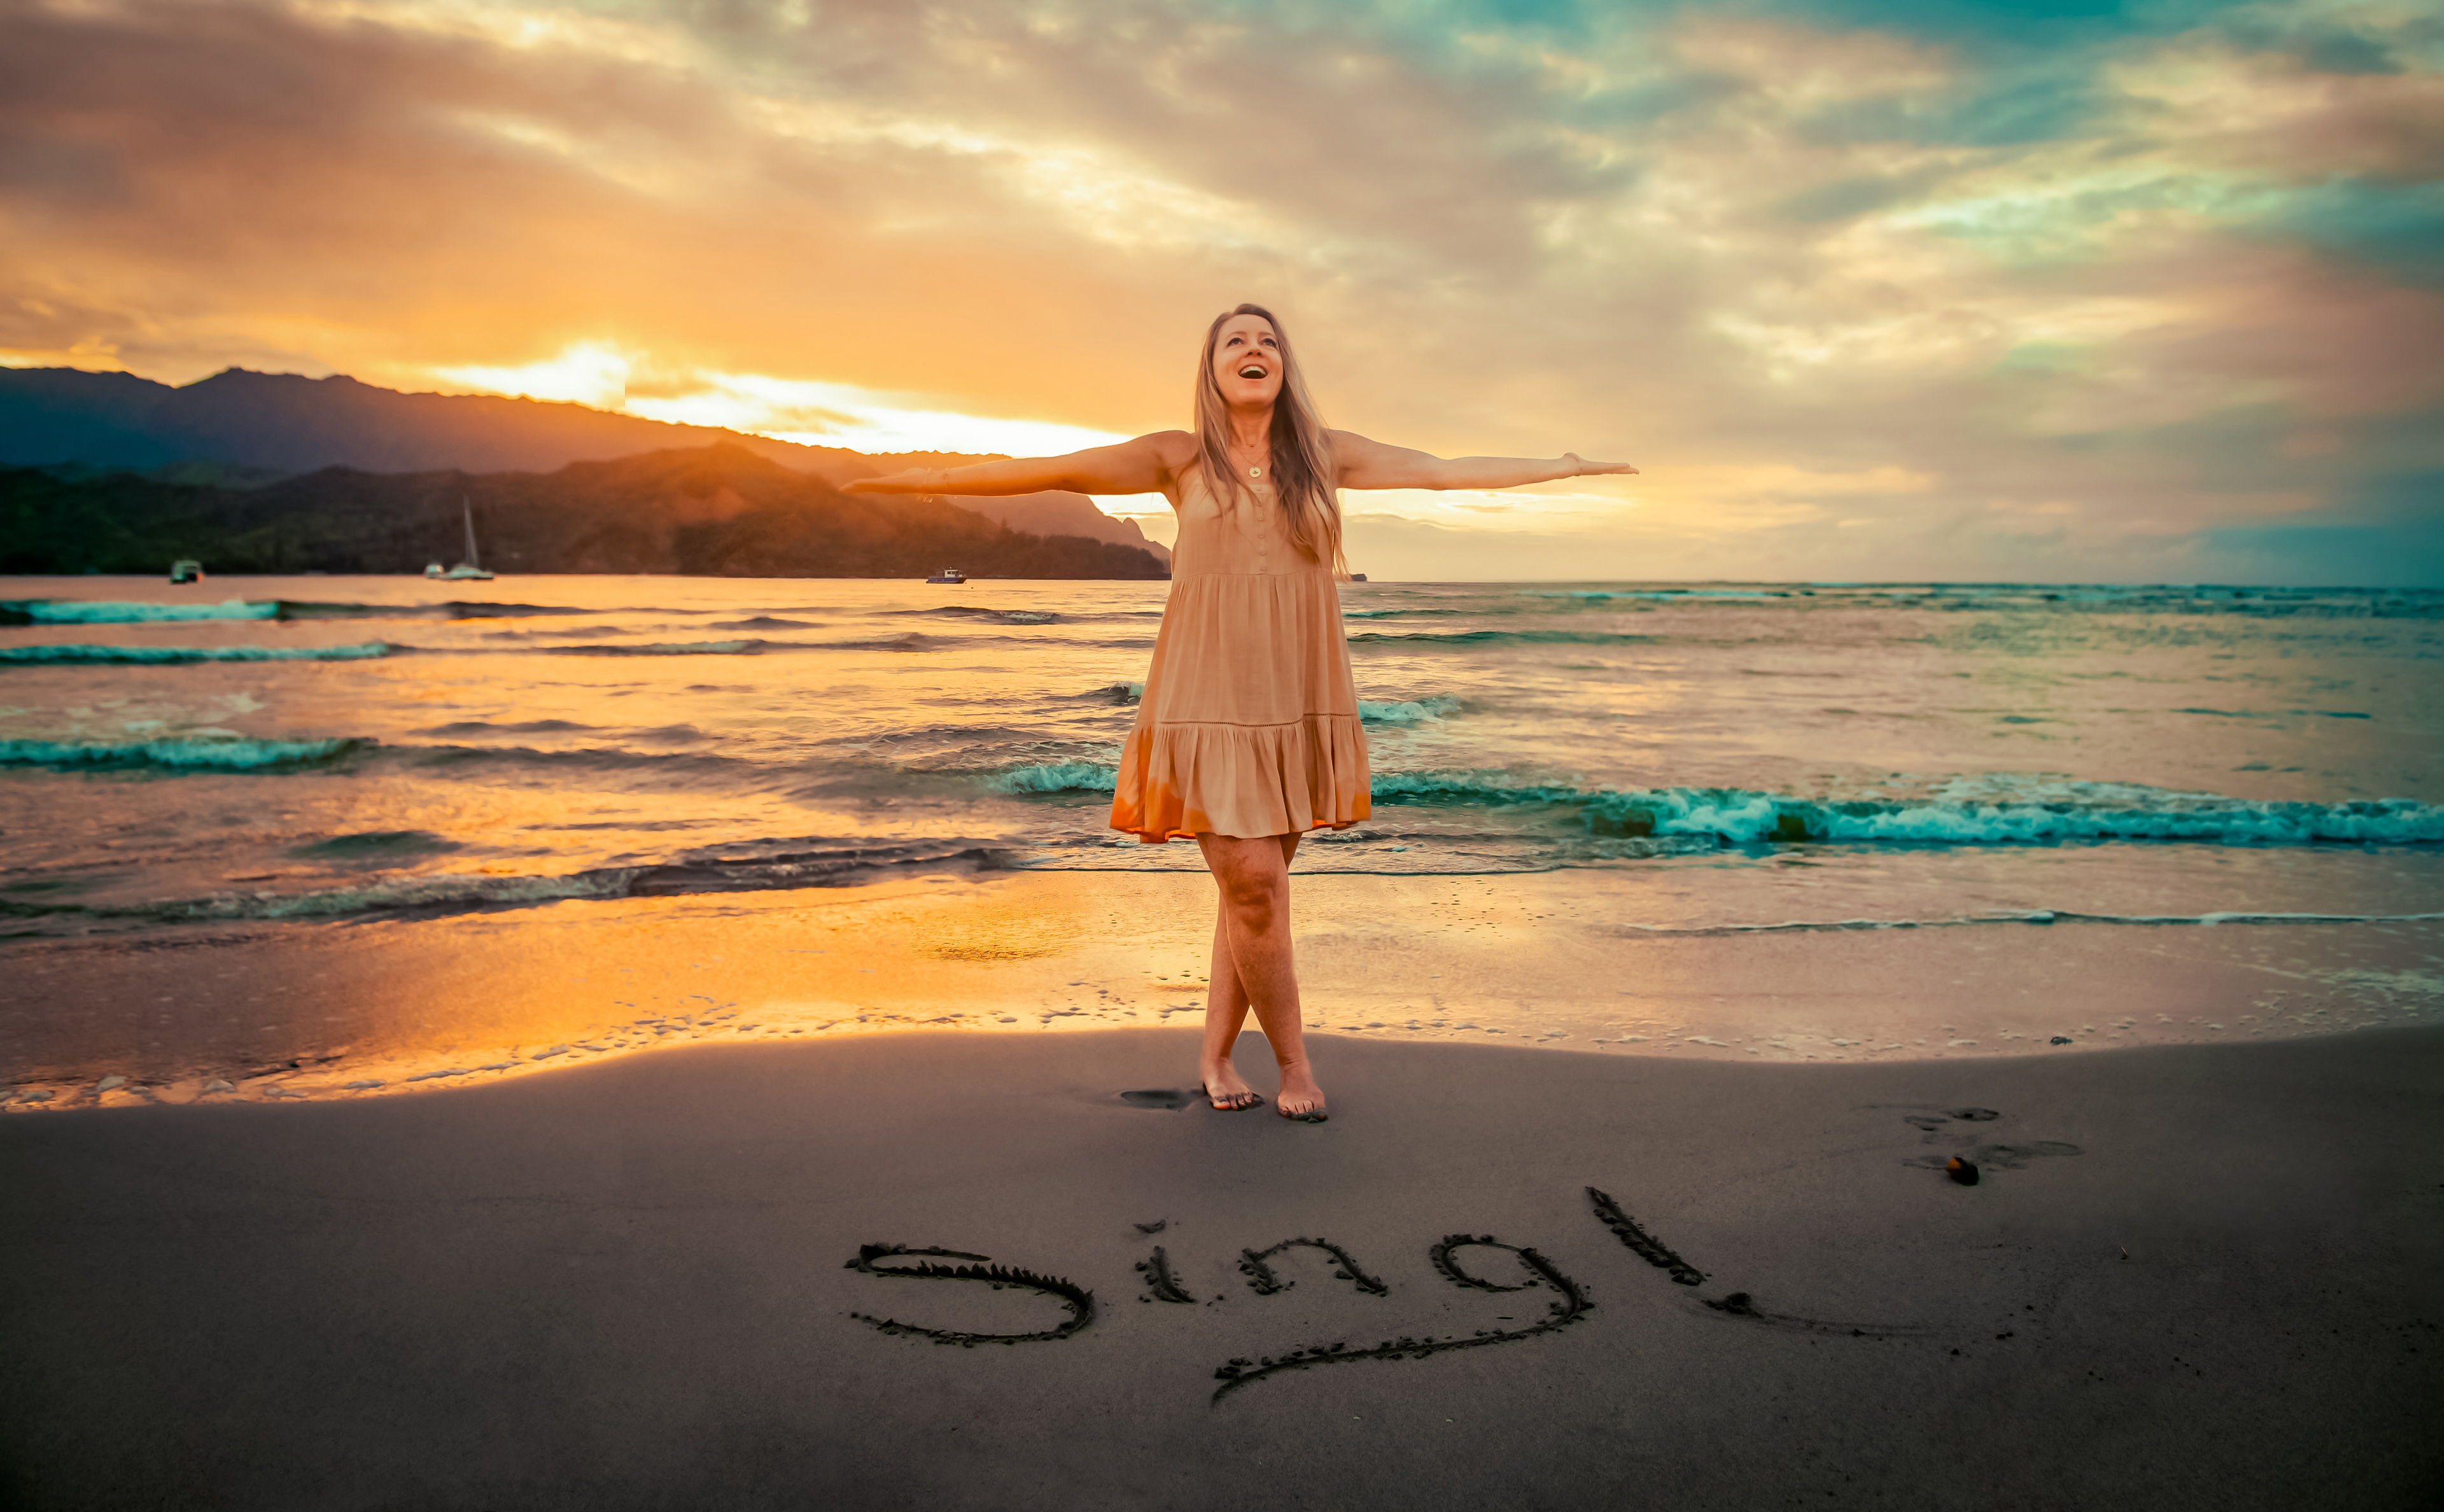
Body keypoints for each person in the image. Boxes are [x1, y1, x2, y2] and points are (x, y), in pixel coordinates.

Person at [847, 303, 1636, 1121]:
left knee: (1251, 892)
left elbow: (1441, 468)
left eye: (1268, 341)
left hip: (1297, 696)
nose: (1254, 350)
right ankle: (1296, 1069)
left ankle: (1217, 1056)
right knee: (1255, 882)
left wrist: (1562, 466)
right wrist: (924, 481)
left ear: (1284, 367)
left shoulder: (1322, 458)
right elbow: (1052, 469)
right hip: (1204, 695)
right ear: (1213, 368)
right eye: (1236, 342)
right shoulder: (1177, 457)